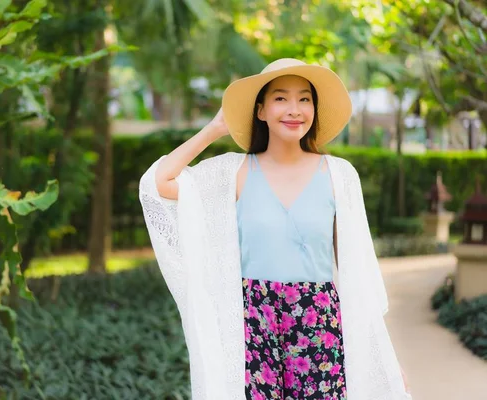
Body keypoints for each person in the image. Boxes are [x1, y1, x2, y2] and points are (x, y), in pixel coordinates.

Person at [139, 58, 411, 400]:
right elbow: (159, 183)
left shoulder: (339, 175)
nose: (294, 109)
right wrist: (214, 129)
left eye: (304, 99)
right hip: (253, 323)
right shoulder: (232, 174)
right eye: (281, 98)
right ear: (261, 110)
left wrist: (384, 357)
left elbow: (360, 274)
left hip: (319, 323)